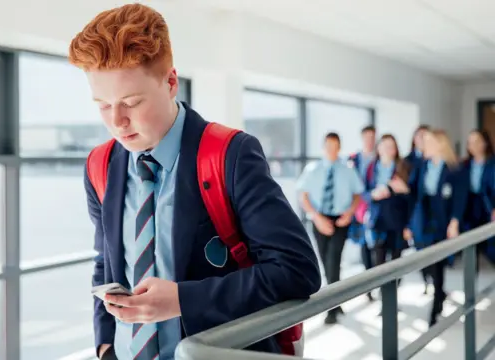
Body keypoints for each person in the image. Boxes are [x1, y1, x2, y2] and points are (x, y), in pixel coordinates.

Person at [70, 4, 321, 359]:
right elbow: (106, 261)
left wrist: (182, 300)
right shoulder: (101, 165)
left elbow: (297, 270)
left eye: (131, 102)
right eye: (102, 105)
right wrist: (105, 345)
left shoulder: (231, 155)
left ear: (171, 82)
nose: (117, 122)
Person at [297, 132, 364, 324]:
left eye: (335, 146)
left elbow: (357, 194)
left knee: (334, 259)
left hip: (340, 219)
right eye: (328, 146)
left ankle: (331, 309)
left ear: (339, 148)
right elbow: (303, 196)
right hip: (319, 218)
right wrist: (316, 218)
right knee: (325, 262)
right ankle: (337, 301)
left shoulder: (348, 169)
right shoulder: (313, 169)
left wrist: (349, 213)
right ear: (323, 147)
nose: (331, 150)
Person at [404, 129, 467, 327]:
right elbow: (413, 193)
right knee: (429, 261)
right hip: (424, 220)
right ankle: (439, 294)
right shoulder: (423, 166)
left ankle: (435, 306)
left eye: (428, 142)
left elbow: (460, 198)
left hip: (442, 221)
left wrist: (455, 221)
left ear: (440, 145)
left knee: (438, 262)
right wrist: (409, 224)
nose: (424, 146)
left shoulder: (454, 169)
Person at [361, 134, 411, 315]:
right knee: (380, 265)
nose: (388, 150)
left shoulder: (403, 167)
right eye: (384, 146)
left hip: (397, 222)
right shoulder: (370, 168)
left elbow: (410, 198)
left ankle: (392, 298)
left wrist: (402, 190)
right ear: (378, 148)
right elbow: (363, 193)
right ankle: (385, 303)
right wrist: (373, 195)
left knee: (397, 265)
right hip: (377, 222)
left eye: (392, 146)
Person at [347, 125, 376, 301]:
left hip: (374, 205)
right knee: (365, 245)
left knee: (376, 245)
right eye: (367, 137)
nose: (370, 141)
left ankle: (375, 282)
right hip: (359, 208)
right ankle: (369, 286)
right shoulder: (353, 159)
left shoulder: (379, 158)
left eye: (373, 137)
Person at [404, 124, 433, 293]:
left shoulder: (434, 159)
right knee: (420, 248)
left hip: (432, 212)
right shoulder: (407, 161)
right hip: (414, 212)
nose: (422, 139)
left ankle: (434, 283)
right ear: (414, 139)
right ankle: (426, 279)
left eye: (425, 136)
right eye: (419, 136)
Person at [460, 129, 495, 266]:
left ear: (485, 143)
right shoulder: (465, 165)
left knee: (491, 249)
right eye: (470, 143)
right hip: (470, 208)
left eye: (476, 141)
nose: (472, 146)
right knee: (470, 249)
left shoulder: (492, 164)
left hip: (487, 205)